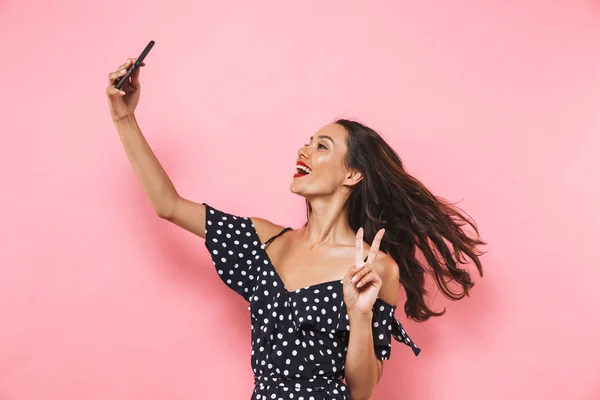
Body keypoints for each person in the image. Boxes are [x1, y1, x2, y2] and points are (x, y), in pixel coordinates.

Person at [106, 57, 486, 400]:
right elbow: (168, 206)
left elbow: (363, 390)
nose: (303, 151)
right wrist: (124, 118)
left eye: (321, 146)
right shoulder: (263, 240)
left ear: (352, 173)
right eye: (307, 143)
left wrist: (360, 313)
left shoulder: (375, 267)